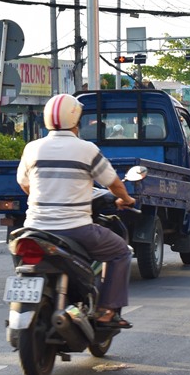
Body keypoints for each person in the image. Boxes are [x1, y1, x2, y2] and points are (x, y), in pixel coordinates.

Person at [16, 94, 137, 329]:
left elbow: (24, 183)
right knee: (121, 251)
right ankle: (106, 310)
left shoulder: (32, 148)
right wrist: (126, 199)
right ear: (76, 120)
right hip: (75, 228)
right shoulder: (86, 149)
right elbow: (113, 184)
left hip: (33, 228)